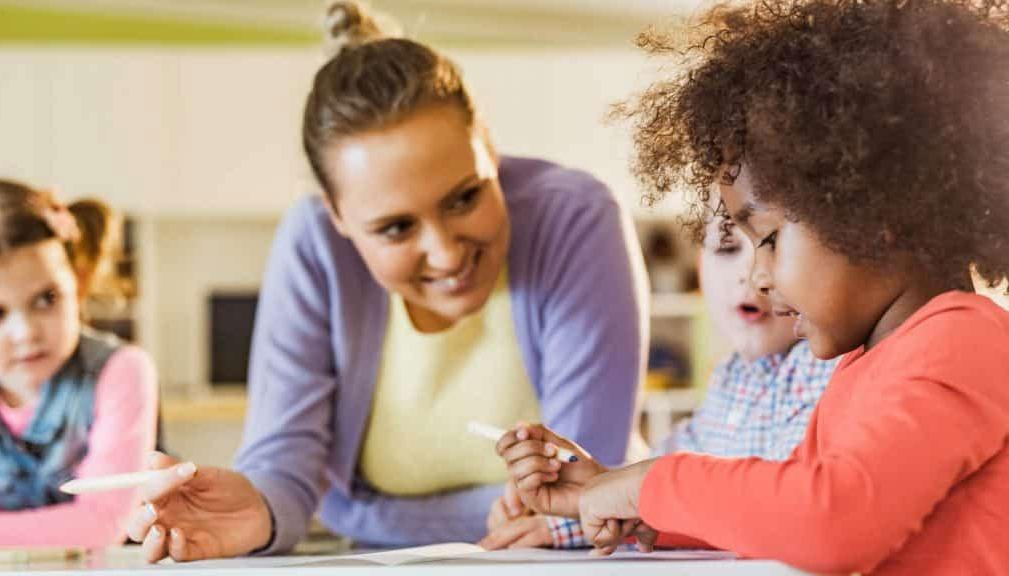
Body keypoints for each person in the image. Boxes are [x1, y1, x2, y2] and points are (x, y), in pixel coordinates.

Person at [498, 0, 1009, 573]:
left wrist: (654, 482)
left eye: (766, 238)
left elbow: (832, 521)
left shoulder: (962, 343)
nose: (757, 276)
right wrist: (634, 505)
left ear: (873, 217)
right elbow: (784, 513)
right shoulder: (868, 363)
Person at [126, 0, 647, 562]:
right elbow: (283, 468)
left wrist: (365, 513)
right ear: (338, 217)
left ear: (489, 149)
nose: (446, 254)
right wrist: (259, 508)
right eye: (396, 228)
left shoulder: (574, 218)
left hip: (565, 557)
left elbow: (574, 486)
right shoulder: (312, 245)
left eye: (465, 197)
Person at [482, 211, 837, 550]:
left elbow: (763, 509)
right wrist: (578, 502)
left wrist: (594, 504)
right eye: (727, 248)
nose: (749, 272)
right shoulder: (732, 377)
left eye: (774, 245)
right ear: (699, 265)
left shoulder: (823, 367)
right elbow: (660, 481)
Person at [0, 179, 157, 547]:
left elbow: (105, 522)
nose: (25, 332)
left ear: (77, 284)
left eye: (46, 298)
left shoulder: (121, 372)